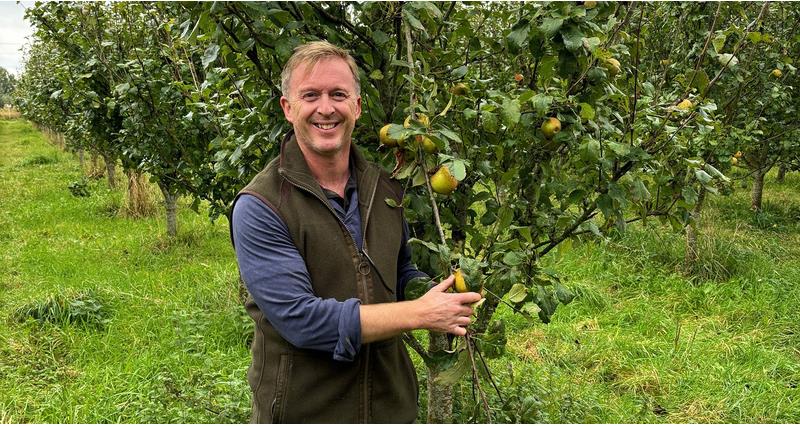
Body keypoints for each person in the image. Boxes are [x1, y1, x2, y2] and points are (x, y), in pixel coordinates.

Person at [230, 40, 482, 423]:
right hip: (306, 410)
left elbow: (402, 272)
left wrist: (443, 292)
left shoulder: (387, 189)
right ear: (288, 108)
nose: (326, 108)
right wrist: (419, 313)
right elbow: (302, 320)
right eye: (310, 95)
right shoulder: (261, 205)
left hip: (388, 405)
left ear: (357, 106)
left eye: (338, 94)